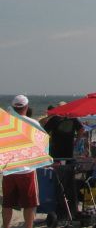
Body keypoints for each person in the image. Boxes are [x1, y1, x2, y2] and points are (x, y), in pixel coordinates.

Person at [2, 95, 38, 228]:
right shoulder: (33, 124)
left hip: (9, 168)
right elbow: (41, 146)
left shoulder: (5, 125)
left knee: (7, 203)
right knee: (29, 204)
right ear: (26, 107)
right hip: (26, 169)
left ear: (13, 107)